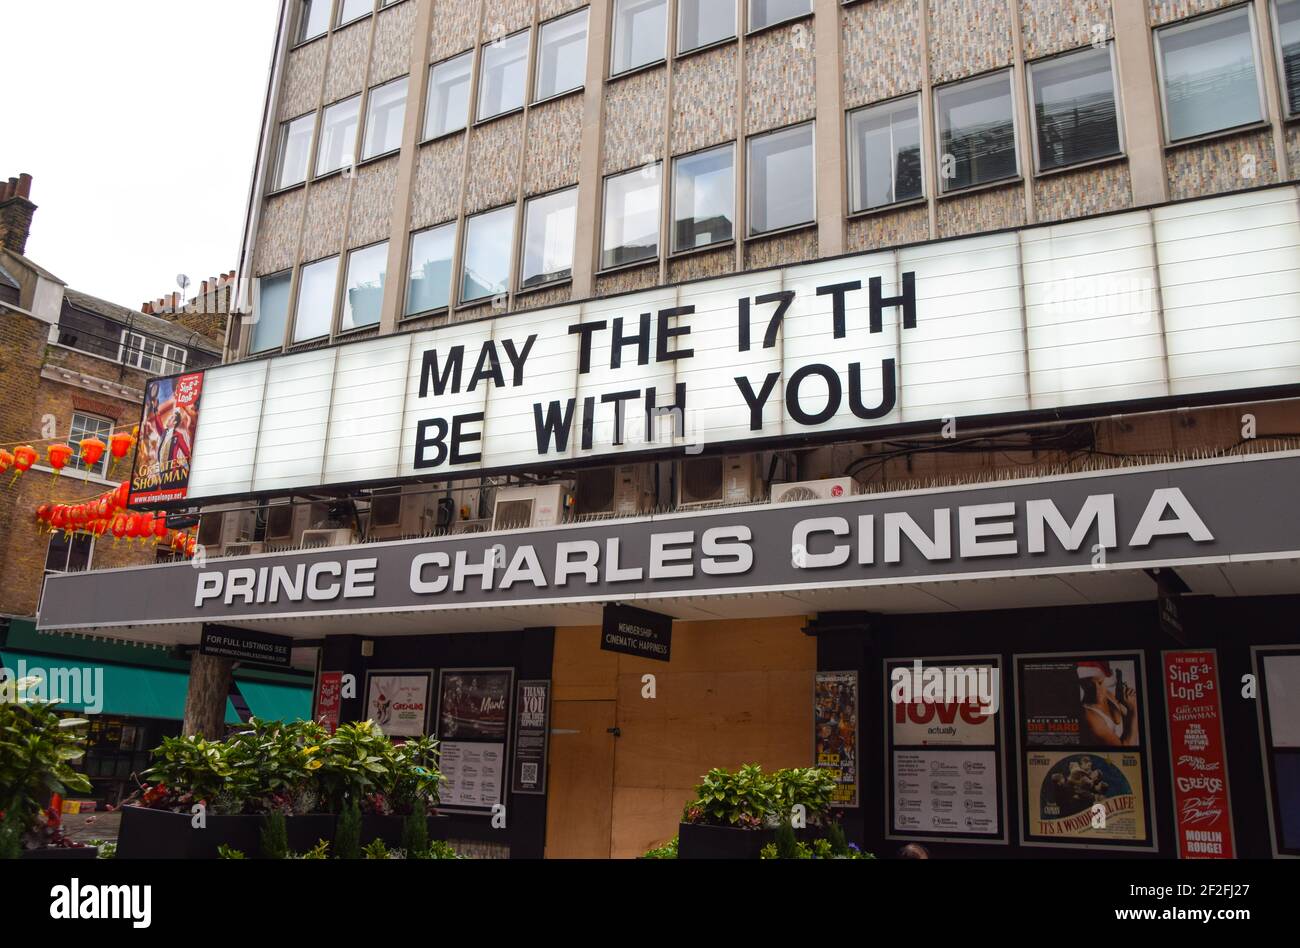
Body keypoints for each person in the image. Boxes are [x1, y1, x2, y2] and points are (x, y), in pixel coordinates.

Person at [1077, 662, 1138, 747]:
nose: (1097, 691)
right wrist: (1133, 709)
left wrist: (1126, 702)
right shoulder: (1089, 716)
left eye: (1100, 682)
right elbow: (1126, 748)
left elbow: (1128, 727)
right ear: (1082, 684)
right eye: (1089, 685)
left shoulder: (1109, 695)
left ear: (1106, 679)